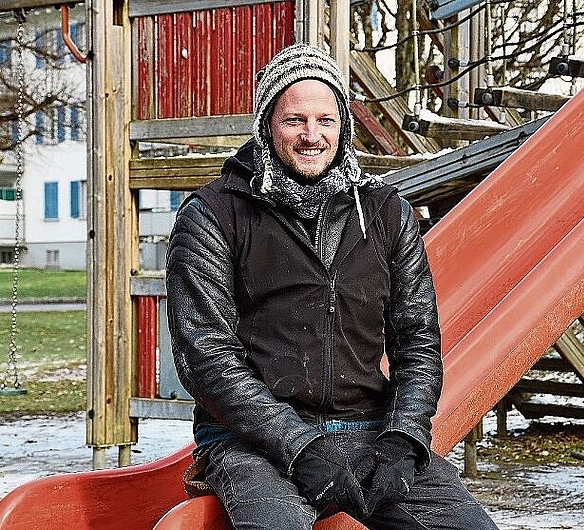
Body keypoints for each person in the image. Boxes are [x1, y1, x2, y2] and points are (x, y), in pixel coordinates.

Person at [166, 43, 498, 529]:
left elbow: (418, 344)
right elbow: (206, 357)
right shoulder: (214, 215)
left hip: (369, 431)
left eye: (326, 121)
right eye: (293, 120)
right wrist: (301, 446)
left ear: (342, 128)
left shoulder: (386, 213)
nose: (311, 136)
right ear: (265, 126)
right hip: (253, 440)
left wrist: (405, 439)